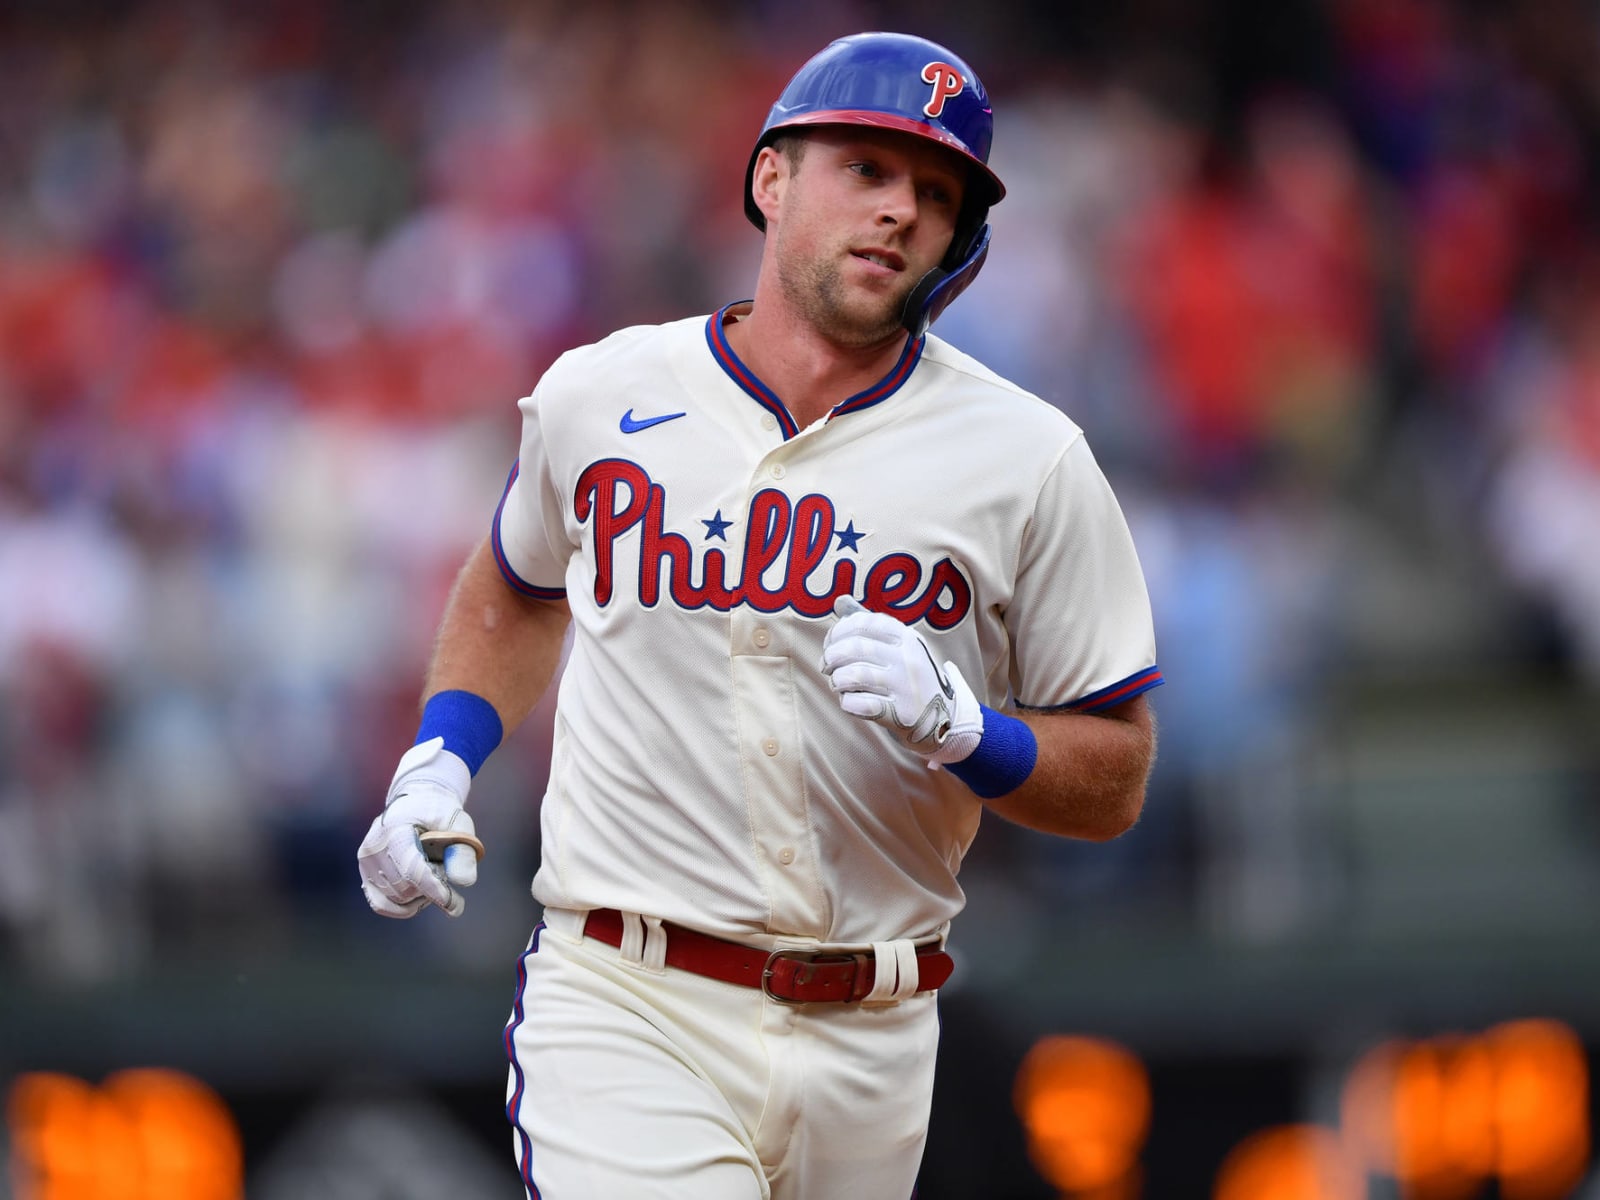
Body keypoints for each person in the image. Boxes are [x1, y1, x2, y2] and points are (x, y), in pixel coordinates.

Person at [357, 30, 1163, 1199]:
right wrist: (439, 761)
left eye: (934, 195)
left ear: (962, 242)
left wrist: (968, 732)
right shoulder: (603, 392)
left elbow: (1118, 776)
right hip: (628, 996)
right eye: (868, 170)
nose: (898, 211)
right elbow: (517, 583)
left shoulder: (1028, 460)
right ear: (771, 178)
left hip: (879, 1027)